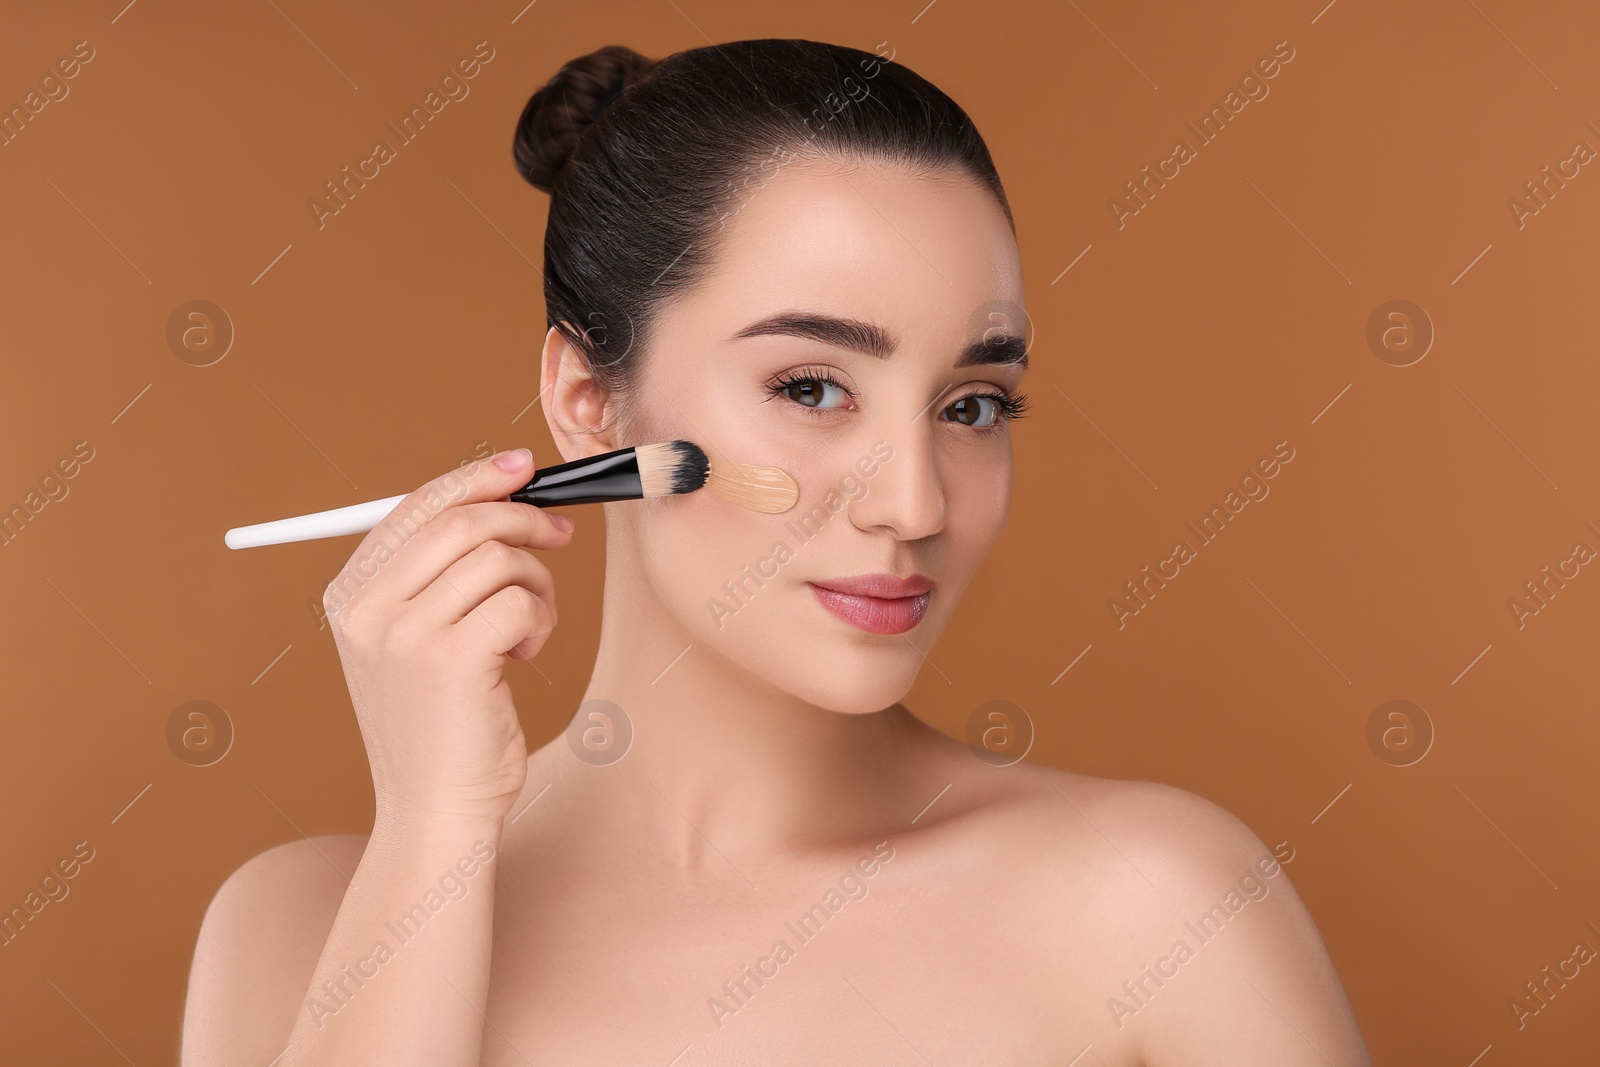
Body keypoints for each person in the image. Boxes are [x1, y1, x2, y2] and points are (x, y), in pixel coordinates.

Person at [181, 38, 1372, 1066]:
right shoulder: (296, 924)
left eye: (971, 404)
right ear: (590, 401)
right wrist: (433, 833)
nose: (911, 501)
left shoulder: (1156, 905)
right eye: (810, 386)